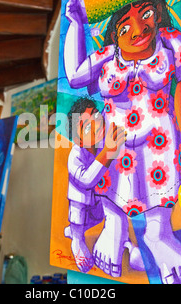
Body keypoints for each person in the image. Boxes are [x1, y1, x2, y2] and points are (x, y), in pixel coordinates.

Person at [64, 0, 181, 283]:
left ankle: (157, 236)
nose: (138, 29)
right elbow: (74, 76)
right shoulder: (107, 56)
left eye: (146, 14)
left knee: (157, 205)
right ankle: (114, 228)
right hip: (116, 149)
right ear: (114, 32)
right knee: (114, 199)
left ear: (157, 13)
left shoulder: (170, 42)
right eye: (124, 25)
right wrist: (74, 22)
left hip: (159, 148)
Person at [64, 97, 126, 273]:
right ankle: (76, 239)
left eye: (97, 118)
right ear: (78, 138)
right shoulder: (75, 157)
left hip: (100, 205)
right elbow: (86, 180)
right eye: (88, 127)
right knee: (78, 206)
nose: (97, 125)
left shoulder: (102, 142)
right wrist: (107, 152)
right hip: (82, 205)